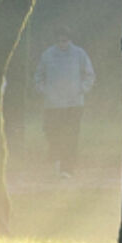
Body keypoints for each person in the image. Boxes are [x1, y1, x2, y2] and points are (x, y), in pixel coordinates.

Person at [34, 27, 94, 178]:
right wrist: (45, 91)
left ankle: (67, 168)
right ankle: (56, 158)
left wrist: (81, 89)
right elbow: (38, 76)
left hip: (74, 104)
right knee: (52, 132)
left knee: (71, 135)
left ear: (70, 40)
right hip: (53, 104)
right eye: (60, 40)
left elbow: (89, 74)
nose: (62, 43)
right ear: (56, 40)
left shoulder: (79, 54)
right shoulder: (48, 55)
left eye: (65, 40)